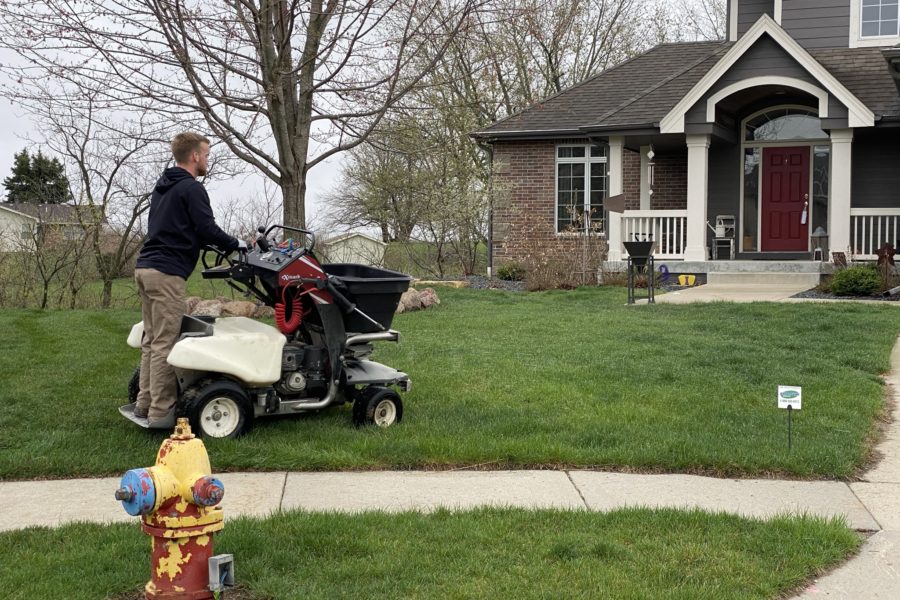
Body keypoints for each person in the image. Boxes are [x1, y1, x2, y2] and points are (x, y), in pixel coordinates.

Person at [133, 132, 246, 425]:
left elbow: (186, 228)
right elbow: (206, 228)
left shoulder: (164, 187)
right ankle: (161, 413)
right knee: (165, 344)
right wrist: (237, 245)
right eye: (206, 155)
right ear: (195, 156)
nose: (208, 160)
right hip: (167, 272)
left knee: (151, 340)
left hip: (146, 268)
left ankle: (143, 404)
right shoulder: (192, 189)